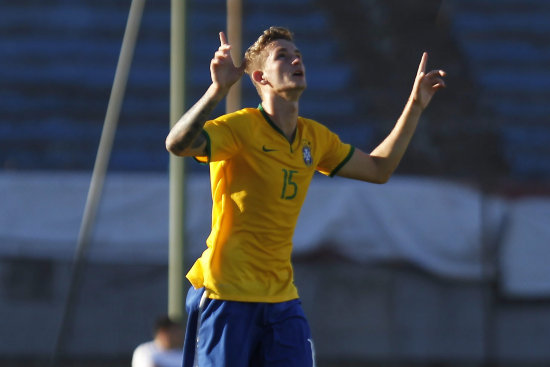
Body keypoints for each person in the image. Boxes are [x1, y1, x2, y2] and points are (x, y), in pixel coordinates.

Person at [165, 26, 446, 367]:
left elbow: (378, 169)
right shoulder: (241, 128)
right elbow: (177, 144)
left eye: (297, 54)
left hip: (282, 300)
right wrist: (216, 91)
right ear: (260, 77)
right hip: (227, 294)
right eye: (282, 56)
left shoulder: (314, 137)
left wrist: (415, 105)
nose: (296, 59)